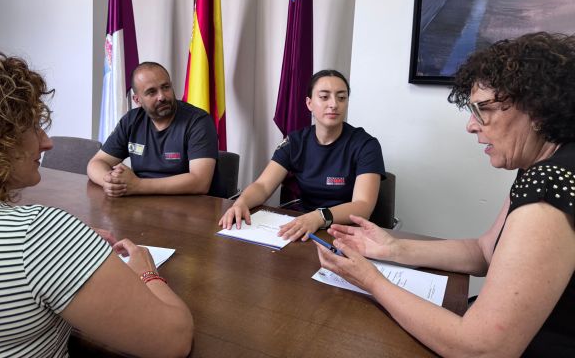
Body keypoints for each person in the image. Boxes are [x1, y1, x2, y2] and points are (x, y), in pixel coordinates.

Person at [316, 33, 575, 357]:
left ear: (535, 110)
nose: (471, 125)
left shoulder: (550, 184)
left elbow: (481, 349)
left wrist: (372, 282)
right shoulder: (543, 165)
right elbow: (484, 251)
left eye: (483, 109)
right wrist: (393, 247)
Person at [0, 48, 193, 357]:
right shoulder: (36, 235)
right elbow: (174, 341)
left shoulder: (194, 120)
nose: (47, 142)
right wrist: (146, 273)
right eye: (33, 126)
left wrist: (68, 251)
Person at [219, 69, 385, 242]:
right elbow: (263, 186)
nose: (334, 104)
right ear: (309, 103)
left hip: (347, 232)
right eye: (324, 97)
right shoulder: (295, 142)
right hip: (305, 228)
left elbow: (363, 205)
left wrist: (319, 217)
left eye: (341, 97)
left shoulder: (366, 145)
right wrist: (241, 203)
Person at [88, 61, 218, 198]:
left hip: (189, 204)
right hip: (141, 201)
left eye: (166, 87)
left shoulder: (198, 121)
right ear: (137, 100)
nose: (162, 97)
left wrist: (138, 185)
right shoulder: (131, 120)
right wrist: (110, 182)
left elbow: (200, 182)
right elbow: (96, 163)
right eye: (151, 92)